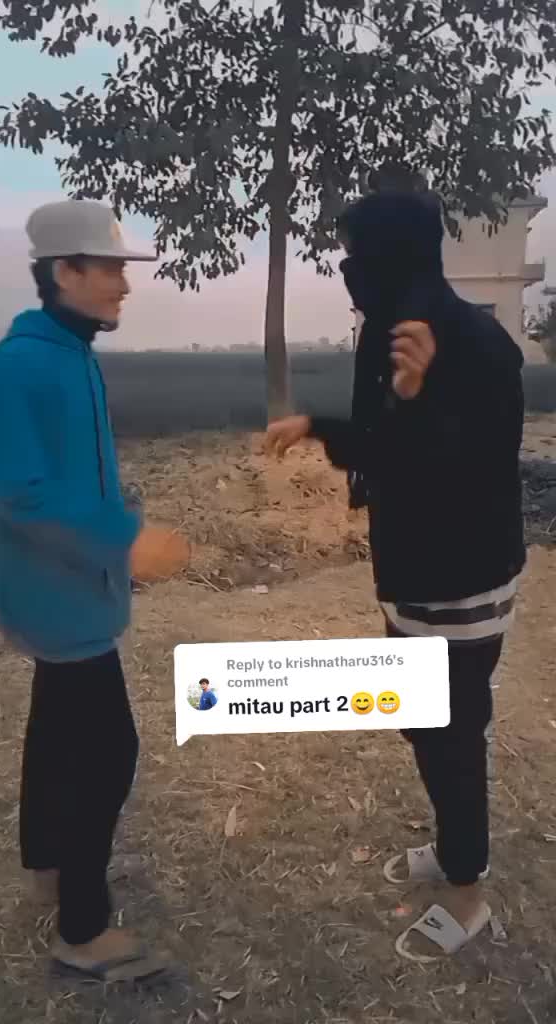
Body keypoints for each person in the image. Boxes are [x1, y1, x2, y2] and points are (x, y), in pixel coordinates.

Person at [265, 191, 525, 961]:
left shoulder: (473, 341)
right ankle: (450, 850)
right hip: (414, 570)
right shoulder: (393, 333)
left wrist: (412, 400)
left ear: (396, 254)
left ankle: (468, 894)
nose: (350, 273)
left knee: (452, 734)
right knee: (423, 722)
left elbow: (468, 464)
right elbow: (382, 443)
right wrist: (317, 426)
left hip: (462, 575)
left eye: (358, 256)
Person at [0, 200, 168, 982]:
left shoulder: (71, 353)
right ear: (66, 272)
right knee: (108, 752)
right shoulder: (18, 366)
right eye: (112, 268)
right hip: (56, 594)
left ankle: (47, 866)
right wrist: (124, 540)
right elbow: (14, 491)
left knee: (57, 727)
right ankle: (81, 930)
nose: (125, 284)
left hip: (74, 587)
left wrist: (121, 527)